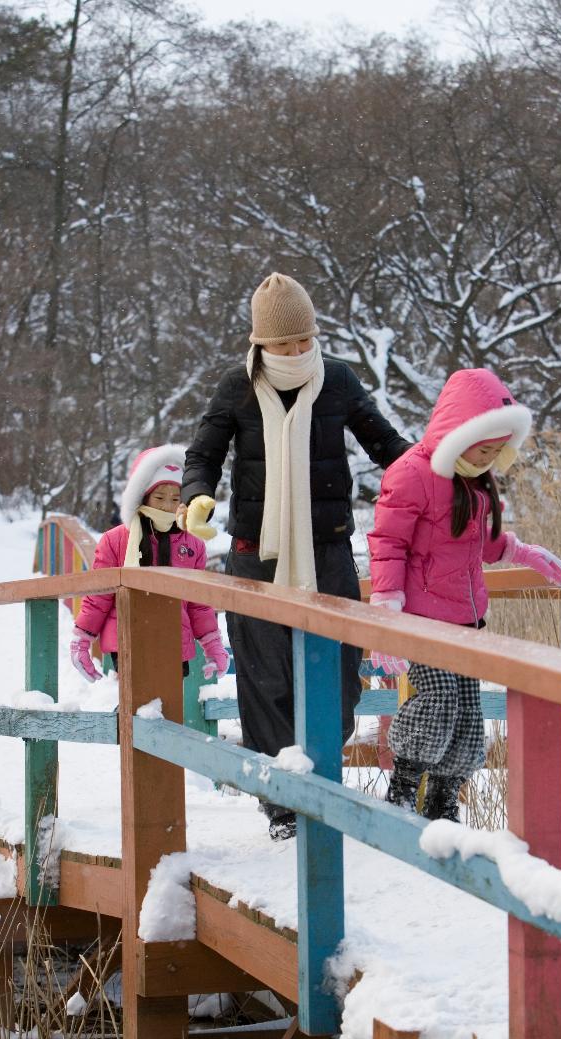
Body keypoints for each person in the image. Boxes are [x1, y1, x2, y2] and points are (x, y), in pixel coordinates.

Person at [181, 272, 410, 840]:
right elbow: (203, 453)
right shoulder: (237, 386)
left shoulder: (336, 381)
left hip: (327, 550)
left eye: (303, 341)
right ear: (261, 344)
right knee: (267, 680)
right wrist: (196, 495)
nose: (295, 352)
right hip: (255, 553)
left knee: (340, 676)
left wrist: (436, 474)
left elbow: (386, 445)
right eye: (283, 345)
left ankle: (322, 785)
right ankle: (283, 802)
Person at [367, 367, 561, 821]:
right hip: (421, 621)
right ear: (459, 435)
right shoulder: (412, 474)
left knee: (467, 717)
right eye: (485, 448)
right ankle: (402, 788)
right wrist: (386, 615)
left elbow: (482, 542)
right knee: (438, 702)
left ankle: (442, 801)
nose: (491, 458)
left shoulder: (475, 482)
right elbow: (388, 543)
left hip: (466, 621)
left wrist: (521, 551)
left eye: (499, 451)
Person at [70, 446, 229, 683]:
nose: (167, 506)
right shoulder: (117, 539)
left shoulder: (193, 544)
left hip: (174, 640)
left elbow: (199, 603)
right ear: (143, 496)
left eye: (176, 499)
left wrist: (213, 644)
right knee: (138, 707)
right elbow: (100, 596)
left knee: (167, 708)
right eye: (159, 497)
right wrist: (82, 639)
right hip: (127, 637)